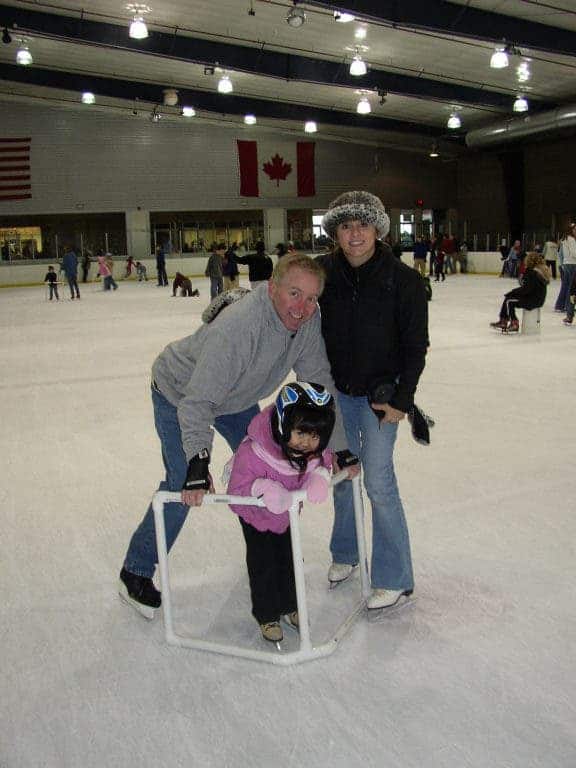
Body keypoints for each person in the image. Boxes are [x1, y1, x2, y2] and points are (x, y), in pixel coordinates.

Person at [118, 253, 354, 619]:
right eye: (294, 293)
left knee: (272, 469)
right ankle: (135, 569)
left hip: (236, 397)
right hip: (179, 392)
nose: (302, 307)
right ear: (272, 288)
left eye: (311, 298)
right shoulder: (240, 328)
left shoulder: (306, 320)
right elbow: (197, 402)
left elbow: (318, 381)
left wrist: (339, 445)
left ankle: (269, 555)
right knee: (182, 482)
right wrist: (198, 459)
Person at [317, 191, 428, 611]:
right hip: (337, 395)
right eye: (346, 226)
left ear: (378, 229)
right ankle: (345, 552)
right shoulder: (324, 274)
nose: (355, 233)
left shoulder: (404, 281)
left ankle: (394, 576)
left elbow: (416, 346)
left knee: (379, 482)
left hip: (382, 399)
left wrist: (403, 399)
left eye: (362, 224)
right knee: (343, 475)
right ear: (336, 233)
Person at [227, 382, 335, 642]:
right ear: (283, 425)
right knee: (263, 563)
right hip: (255, 519)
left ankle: (290, 605)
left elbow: (326, 460)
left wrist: (320, 476)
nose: (307, 442)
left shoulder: (310, 451)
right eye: (300, 433)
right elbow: (236, 491)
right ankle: (267, 615)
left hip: (286, 517)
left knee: (290, 559)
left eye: (315, 436)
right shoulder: (254, 451)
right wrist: (263, 489)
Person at [490, 252, 550, 332]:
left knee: (509, 300)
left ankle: (513, 323)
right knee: (509, 299)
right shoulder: (539, 271)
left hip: (533, 300)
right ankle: (504, 321)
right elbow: (529, 288)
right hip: (537, 299)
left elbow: (527, 289)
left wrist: (513, 292)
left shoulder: (533, 273)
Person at [554, 226, 576, 313]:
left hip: (567, 264)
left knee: (565, 286)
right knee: (571, 287)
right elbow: (574, 253)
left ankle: (560, 305)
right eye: (575, 229)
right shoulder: (571, 239)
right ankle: (568, 306)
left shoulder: (565, 239)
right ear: (571, 230)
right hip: (572, 264)